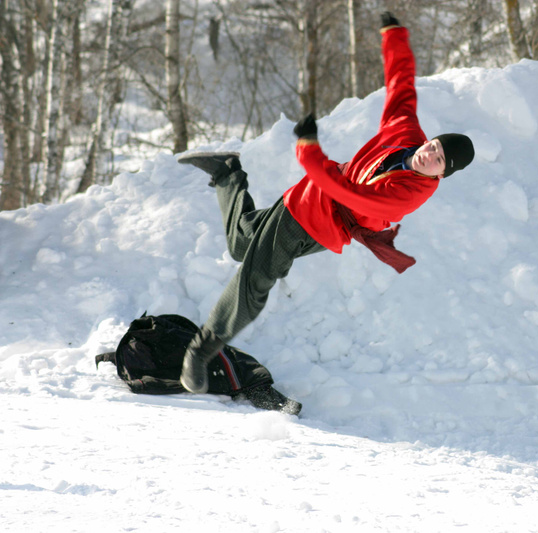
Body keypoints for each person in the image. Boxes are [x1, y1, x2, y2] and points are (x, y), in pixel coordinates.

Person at [176, 12, 474, 397]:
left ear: (442, 174)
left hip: (325, 214)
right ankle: (200, 352)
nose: (428, 155)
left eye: (438, 160)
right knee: (253, 271)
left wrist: (309, 153)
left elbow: (354, 196)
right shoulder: (406, 132)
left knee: (245, 251)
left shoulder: (412, 193)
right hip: (308, 206)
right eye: (433, 146)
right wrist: (394, 35)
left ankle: (227, 174)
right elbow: (401, 84)